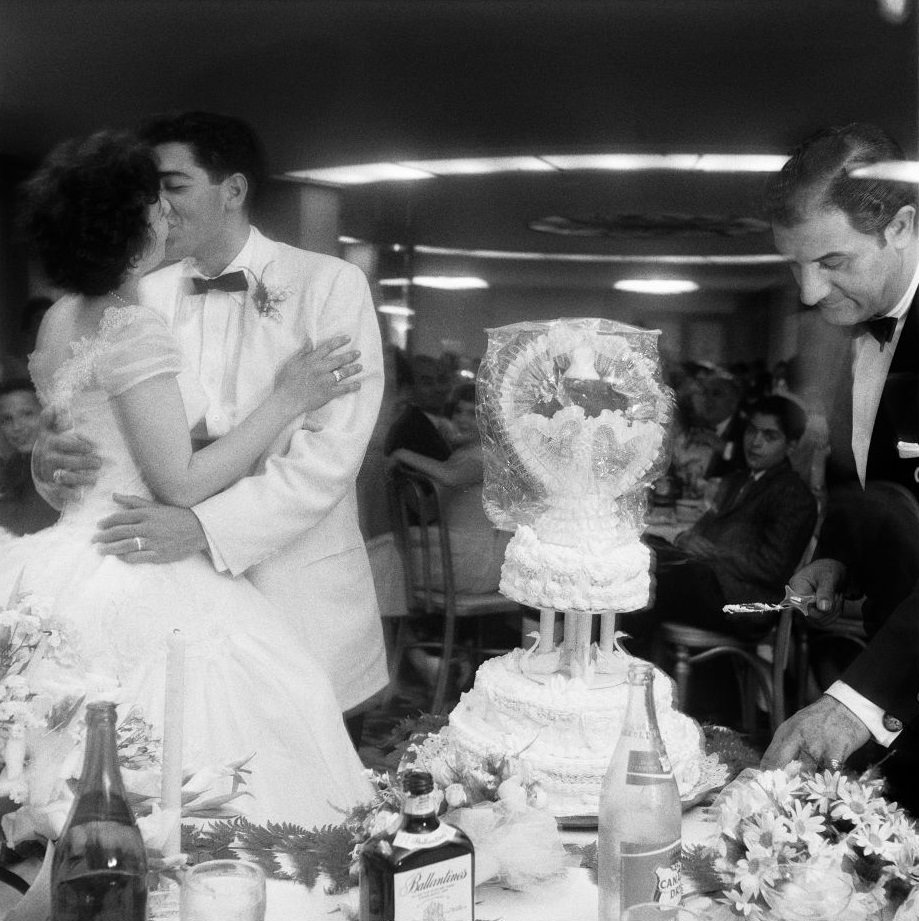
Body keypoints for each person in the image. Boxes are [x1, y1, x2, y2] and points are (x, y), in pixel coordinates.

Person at [6, 129, 372, 826]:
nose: (166, 211)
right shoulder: (137, 307)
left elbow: (329, 455)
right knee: (189, 770)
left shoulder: (329, 283)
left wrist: (203, 522)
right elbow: (152, 465)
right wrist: (47, 460)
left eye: (174, 188)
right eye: (155, 197)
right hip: (142, 563)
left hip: (276, 576)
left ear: (231, 188)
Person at [759, 124, 919, 813]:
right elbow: (870, 487)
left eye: (829, 259)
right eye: (793, 263)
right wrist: (838, 556)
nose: (806, 289)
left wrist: (855, 702)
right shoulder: (845, 333)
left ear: (902, 227)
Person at [623, 396, 817, 655]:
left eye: (769, 436)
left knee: (654, 579)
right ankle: (629, 658)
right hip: (709, 583)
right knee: (643, 552)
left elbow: (772, 567)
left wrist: (713, 552)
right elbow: (701, 531)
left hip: (745, 605)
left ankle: (627, 661)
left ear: (791, 446)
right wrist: (684, 539)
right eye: (751, 431)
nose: (755, 442)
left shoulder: (793, 495)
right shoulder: (738, 480)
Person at [388, 383, 511, 594]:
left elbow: (450, 476)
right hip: (459, 551)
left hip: (477, 560)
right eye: (458, 411)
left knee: (386, 555)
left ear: (489, 421)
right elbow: (429, 511)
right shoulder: (463, 455)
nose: (461, 419)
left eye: (472, 414)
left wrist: (401, 454)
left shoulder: (486, 455)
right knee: (387, 546)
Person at [0, 379, 58, 536]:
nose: (17, 427)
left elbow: (31, 523)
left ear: (47, 412)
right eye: (7, 419)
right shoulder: (16, 462)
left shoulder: (60, 456)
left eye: (27, 414)